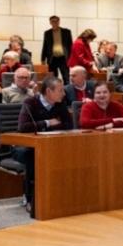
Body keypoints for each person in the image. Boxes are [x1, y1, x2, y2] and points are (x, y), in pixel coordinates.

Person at [17, 76, 72, 216]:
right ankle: (30, 199)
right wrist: (47, 123)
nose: (64, 94)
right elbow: (23, 127)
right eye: (60, 90)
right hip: (26, 146)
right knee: (33, 156)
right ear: (48, 91)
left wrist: (46, 126)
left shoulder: (60, 103)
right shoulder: (30, 102)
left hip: (52, 144)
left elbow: (68, 125)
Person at [41, 15, 73, 83]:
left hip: (63, 58)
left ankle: (66, 92)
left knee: (66, 77)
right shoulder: (47, 33)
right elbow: (45, 46)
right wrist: (43, 59)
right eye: (53, 21)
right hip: (52, 58)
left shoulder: (66, 32)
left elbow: (70, 45)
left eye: (56, 21)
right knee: (53, 78)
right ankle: (54, 92)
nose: (54, 23)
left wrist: (71, 58)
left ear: (59, 22)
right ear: (50, 22)